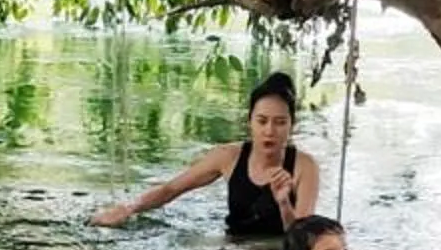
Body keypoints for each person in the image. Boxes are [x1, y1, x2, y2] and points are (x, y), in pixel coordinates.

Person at [90, 73, 321, 236]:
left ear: (292, 125)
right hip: (233, 248)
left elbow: (300, 241)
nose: (269, 131)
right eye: (262, 121)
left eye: (280, 122)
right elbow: (172, 189)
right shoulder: (228, 156)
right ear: (249, 121)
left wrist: (283, 204)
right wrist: (129, 208)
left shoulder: (304, 167)